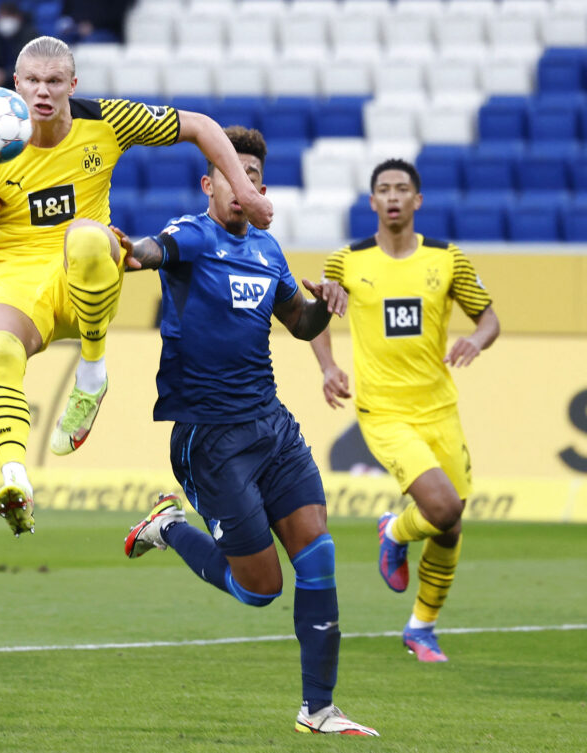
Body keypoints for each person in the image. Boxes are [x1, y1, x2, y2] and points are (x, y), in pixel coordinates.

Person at [0, 35, 273, 539]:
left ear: (72, 85)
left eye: (54, 81)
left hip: (87, 269)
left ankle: (92, 372)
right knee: (2, 349)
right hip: (16, 270)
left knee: (85, 236)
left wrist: (246, 192)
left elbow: (202, 127)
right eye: (32, 81)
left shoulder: (107, 120)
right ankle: (14, 476)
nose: (43, 92)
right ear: (15, 85)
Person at [120, 126, 377, 736]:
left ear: (260, 187)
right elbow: (148, 253)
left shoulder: (268, 250)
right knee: (259, 590)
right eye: (231, 174)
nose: (244, 186)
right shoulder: (190, 236)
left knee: (319, 554)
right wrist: (121, 249)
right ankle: (171, 527)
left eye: (253, 177)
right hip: (209, 437)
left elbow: (300, 321)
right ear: (209, 183)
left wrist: (326, 303)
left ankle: (319, 709)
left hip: (272, 427)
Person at [310, 158, 500, 663]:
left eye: (402, 189)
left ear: (418, 201)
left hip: (440, 409)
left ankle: (422, 627)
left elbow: (489, 318)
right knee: (442, 509)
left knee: (451, 525)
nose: (392, 197)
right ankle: (394, 530)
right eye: (383, 190)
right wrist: (328, 366)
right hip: (385, 412)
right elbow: (317, 317)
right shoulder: (346, 262)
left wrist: (476, 340)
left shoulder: (448, 259)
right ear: (372, 203)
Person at [0, 2, 37, 89]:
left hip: (22, 85)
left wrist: (5, 76)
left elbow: (30, 66)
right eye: (3, 15)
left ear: (19, 17)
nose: (6, 19)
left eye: (10, 15)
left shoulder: (30, 36)